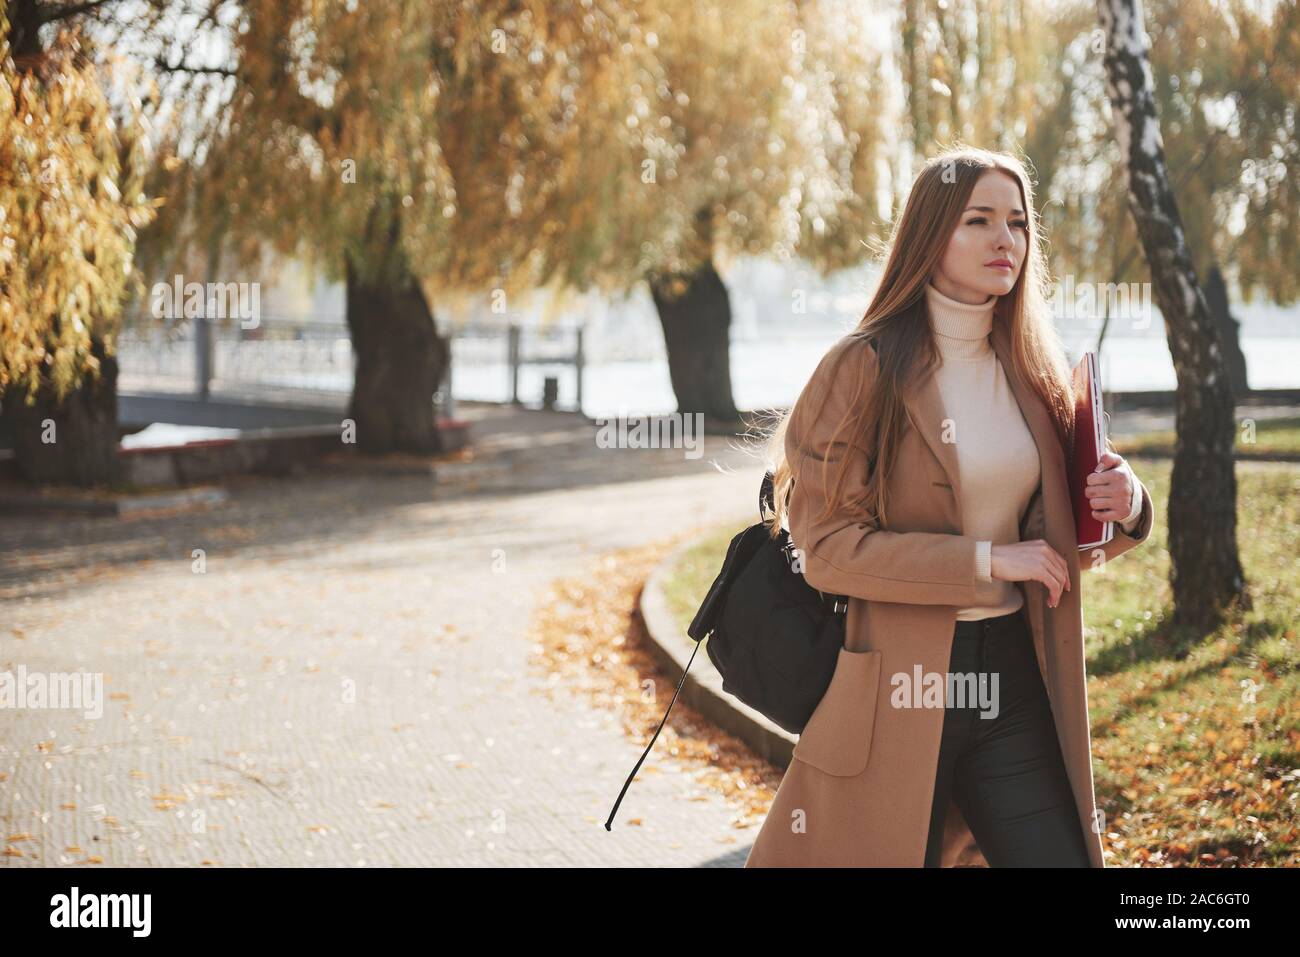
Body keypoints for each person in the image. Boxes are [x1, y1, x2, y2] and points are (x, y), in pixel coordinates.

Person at [746, 146, 1155, 868]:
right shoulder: (862, 366)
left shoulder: (1033, 375)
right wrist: (983, 561)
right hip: (898, 691)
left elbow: (1056, 541)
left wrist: (1125, 505)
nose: (1007, 241)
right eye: (980, 220)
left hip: (1014, 679)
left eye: (1019, 223)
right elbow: (827, 546)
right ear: (930, 233)